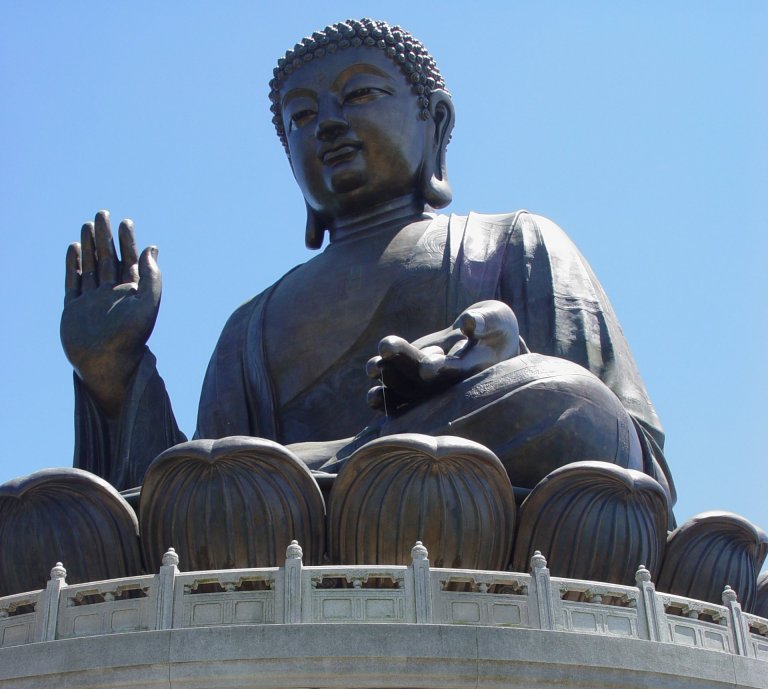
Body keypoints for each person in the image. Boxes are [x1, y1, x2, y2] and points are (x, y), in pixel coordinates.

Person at [60, 19, 673, 506]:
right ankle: (341, 475)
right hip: (280, 530)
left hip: (475, 505)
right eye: (301, 116)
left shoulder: (515, 241)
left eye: (359, 94)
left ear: (435, 121)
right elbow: (185, 487)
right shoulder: (249, 327)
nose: (327, 123)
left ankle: (330, 476)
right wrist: (113, 372)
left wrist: (490, 367)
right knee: (70, 506)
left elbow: (628, 448)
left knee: (564, 398)